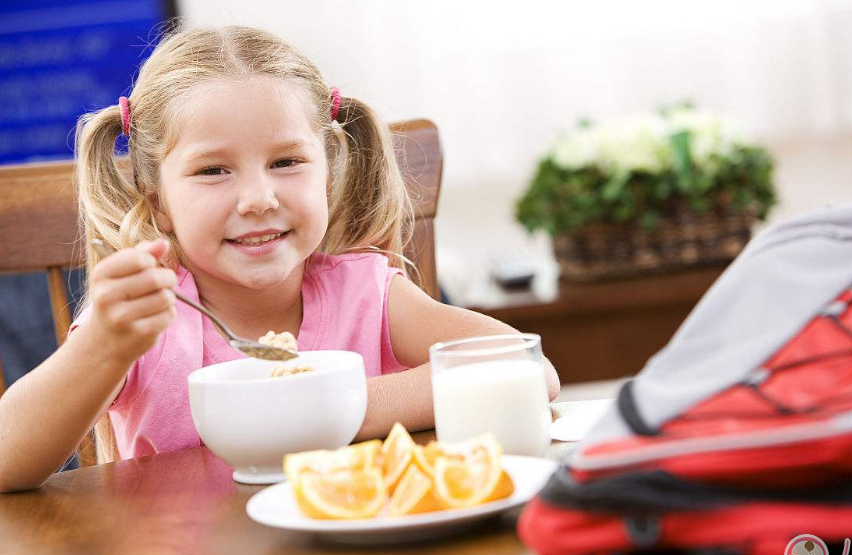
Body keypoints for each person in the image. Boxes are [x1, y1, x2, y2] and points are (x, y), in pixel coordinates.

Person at [0, 25, 560, 492]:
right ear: (159, 203)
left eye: (287, 161)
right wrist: (103, 346)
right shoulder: (145, 321)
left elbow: (529, 370)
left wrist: (327, 409)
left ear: (328, 171)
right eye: (213, 170)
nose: (258, 199)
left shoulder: (367, 293)